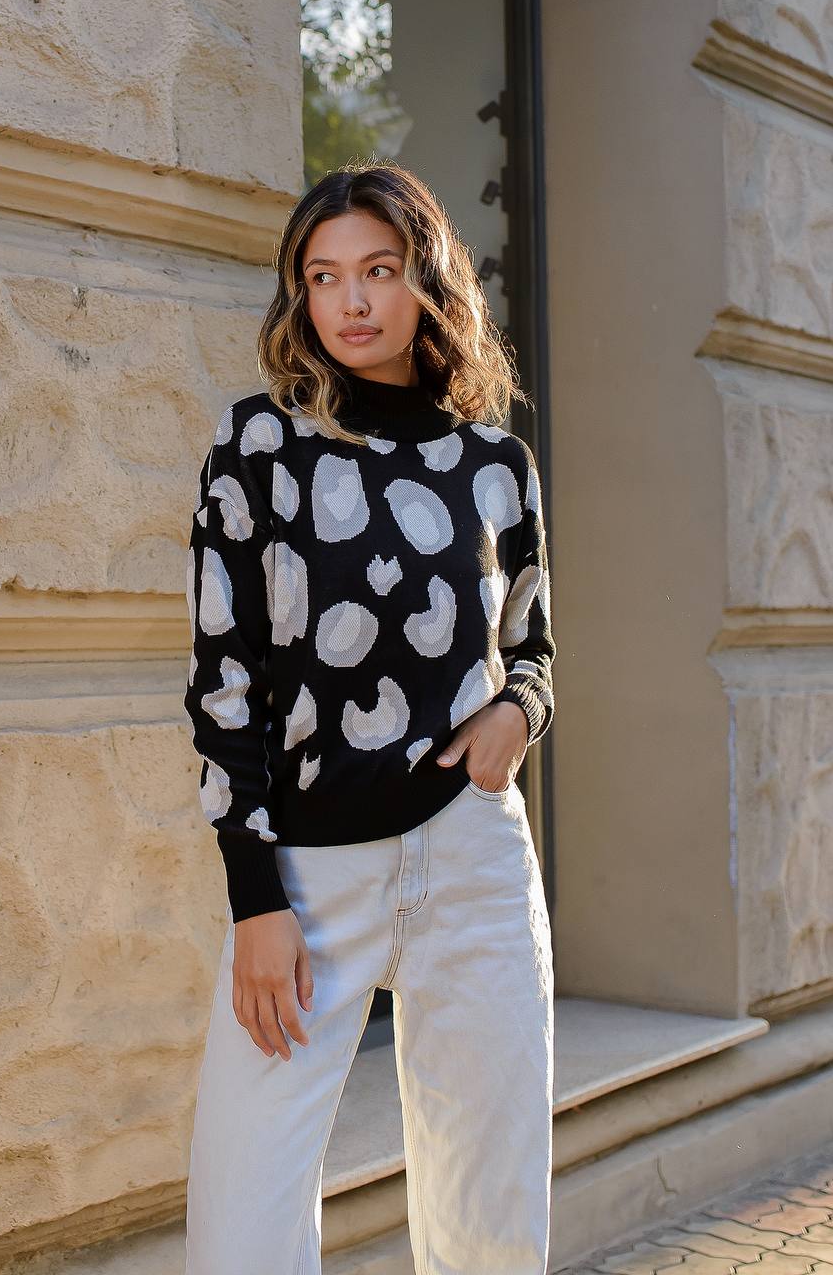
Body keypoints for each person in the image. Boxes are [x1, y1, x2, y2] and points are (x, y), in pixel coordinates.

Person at [183, 159, 556, 1275]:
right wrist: (255, 896)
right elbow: (222, 684)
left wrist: (518, 716)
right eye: (323, 275)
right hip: (305, 866)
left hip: (472, 851)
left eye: (379, 271)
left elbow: (531, 639)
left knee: (488, 1201)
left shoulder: (497, 462)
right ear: (297, 294)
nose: (350, 300)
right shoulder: (255, 449)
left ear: (425, 281)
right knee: (244, 1216)